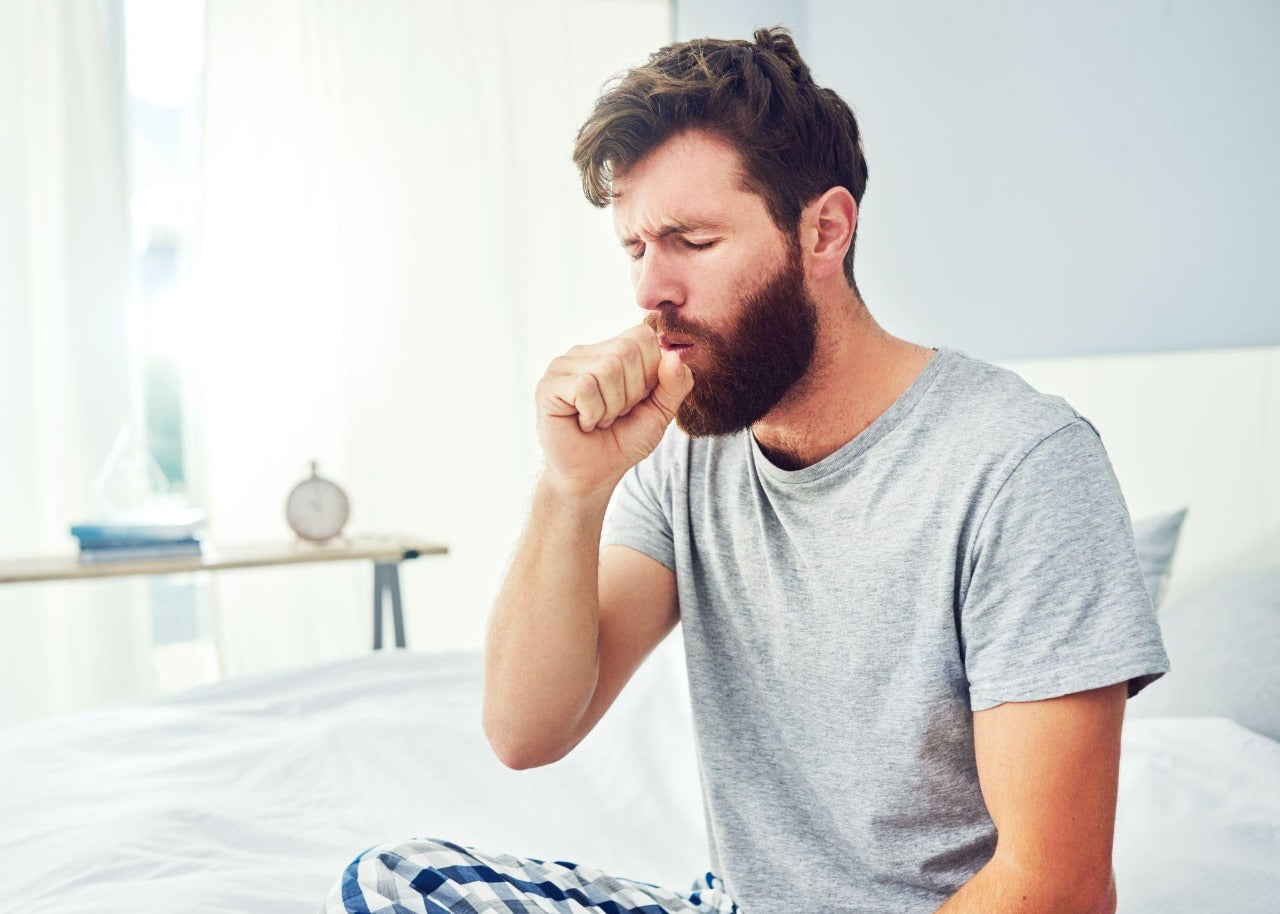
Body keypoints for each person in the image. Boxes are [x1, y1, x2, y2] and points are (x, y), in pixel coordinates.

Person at [323, 27, 1169, 914]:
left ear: (824, 230)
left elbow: (1057, 887)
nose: (649, 291)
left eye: (690, 240)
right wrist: (571, 488)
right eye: (636, 249)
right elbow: (524, 731)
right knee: (398, 878)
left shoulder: (1019, 466)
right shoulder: (691, 451)